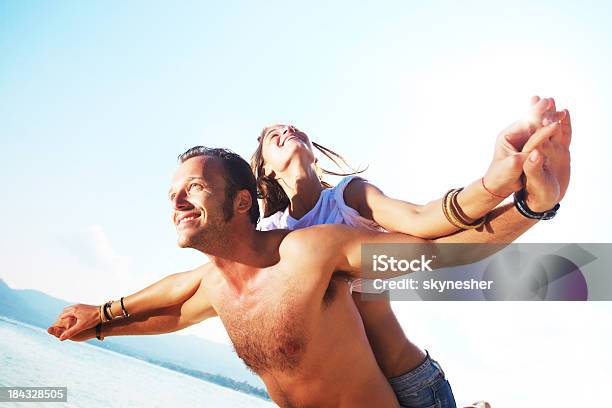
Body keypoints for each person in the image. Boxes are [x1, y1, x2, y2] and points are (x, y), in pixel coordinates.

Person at [49, 97, 571, 407]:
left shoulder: (317, 240)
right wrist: (99, 319)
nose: (178, 201)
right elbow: (178, 299)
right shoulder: (245, 257)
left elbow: (431, 237)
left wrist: (518, 196)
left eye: (193, 189)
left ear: (239, 201)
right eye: (172, 195)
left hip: (406, 382)